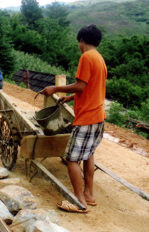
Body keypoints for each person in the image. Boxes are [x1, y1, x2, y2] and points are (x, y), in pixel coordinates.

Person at [40, 24, 107, 213]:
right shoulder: (99, 58)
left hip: (86, 117)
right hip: (98, 116)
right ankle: (89, 195)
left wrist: (55, 89)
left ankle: (79, 202)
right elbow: (91, 87)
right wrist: (70, 98)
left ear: (82, 40)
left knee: (71, 159)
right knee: (88, 154)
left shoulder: (86, 57)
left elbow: (80, 86)